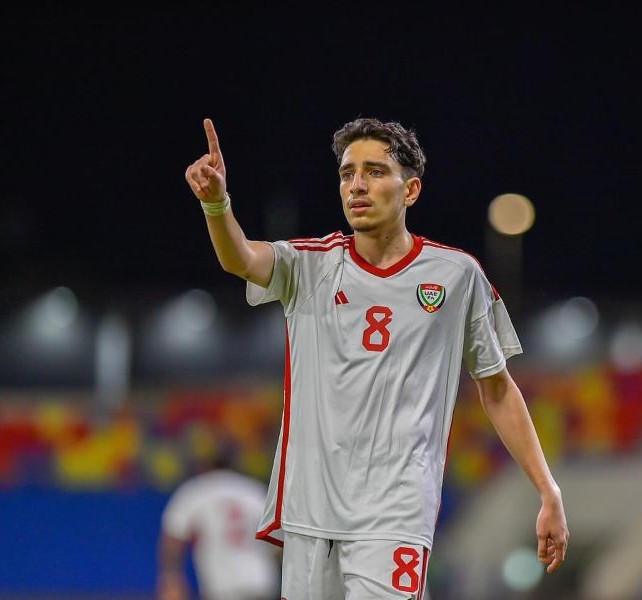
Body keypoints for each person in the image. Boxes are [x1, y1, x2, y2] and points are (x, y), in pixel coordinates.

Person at [184, 116, 569, 599]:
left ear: (410, 190)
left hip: (397, 511)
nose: (357, 186)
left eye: (374, 171)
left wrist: (547, 490)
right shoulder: (311, 264)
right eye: (347, 174)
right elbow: (239, 257)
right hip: (310, 512)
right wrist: (217, 204)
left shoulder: (456, 276)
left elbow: (496, 388)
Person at [157, 453, 281, 600]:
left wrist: (171, 578)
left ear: (205, 469)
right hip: (261, 581)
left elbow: (173, 537)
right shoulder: (253, 491)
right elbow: (278, 543)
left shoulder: (197, 490)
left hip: (223, 585)